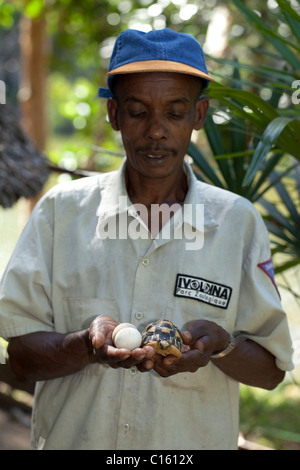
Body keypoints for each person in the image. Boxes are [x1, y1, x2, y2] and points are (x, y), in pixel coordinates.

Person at [0, 28, 294, 450]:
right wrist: (87, 345)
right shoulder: (61, 213)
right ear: (114, 114)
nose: (156, 131)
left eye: (175, 113)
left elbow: (271, 372)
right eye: (138, 112)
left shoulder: (237, 223)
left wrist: (221, 346)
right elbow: (21, 360)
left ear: (199, 114)